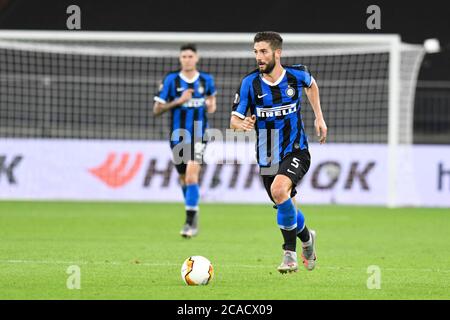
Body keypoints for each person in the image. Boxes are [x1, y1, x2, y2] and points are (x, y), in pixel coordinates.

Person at [230, 31, 327, 273]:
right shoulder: (249, 83)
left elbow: (311, 85)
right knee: (287, 204)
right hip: (267, 158)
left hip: (297, 150)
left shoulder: (296, 75)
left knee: (279, 189)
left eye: (263, 51)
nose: (258, 57)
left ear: (277, 53)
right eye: (255, 52)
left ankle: (289, 255)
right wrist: (241, 125)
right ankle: (307, 239)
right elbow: (234, 119)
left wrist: (319, 117)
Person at [153, 43, 217, 238]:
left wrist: (209, 104)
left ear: (196, 58)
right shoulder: (171, 80)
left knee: (191, 176)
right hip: (178, 136)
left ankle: (189, 222)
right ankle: (193, 211)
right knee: (183, 178)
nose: (187, 59)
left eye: (190, 56)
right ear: (180, 59)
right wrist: (178, 101)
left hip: (199, 135)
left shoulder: (206, 80)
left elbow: (212, 106)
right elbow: (156, 110)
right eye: (184, 56)